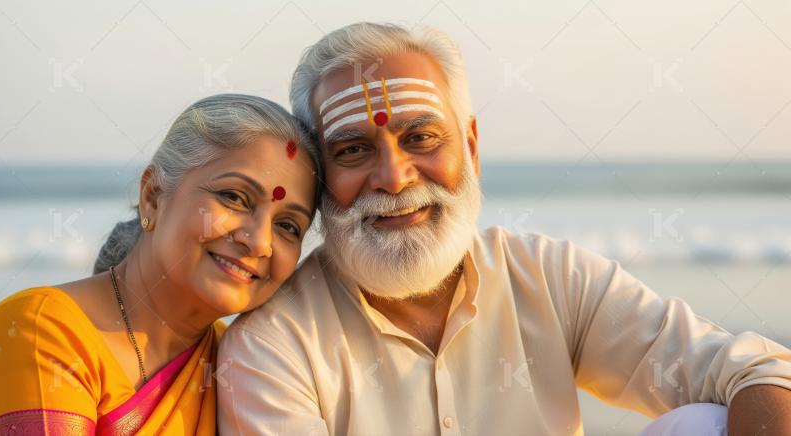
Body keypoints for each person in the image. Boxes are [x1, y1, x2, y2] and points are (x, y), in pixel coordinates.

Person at [217, 23, 791, 435]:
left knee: (704, 422)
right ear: (320, 176)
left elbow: (755, 369)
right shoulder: (272, 344)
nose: (393, 178)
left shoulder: (547, 277)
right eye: (353, 149)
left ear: (469, 147)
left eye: (420, 138)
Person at [0, 94, 320, 434]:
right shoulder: (42, 329)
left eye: (288, 226)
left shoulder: (246, 365)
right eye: (234, 197)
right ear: (153, 196)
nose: (259, 242)